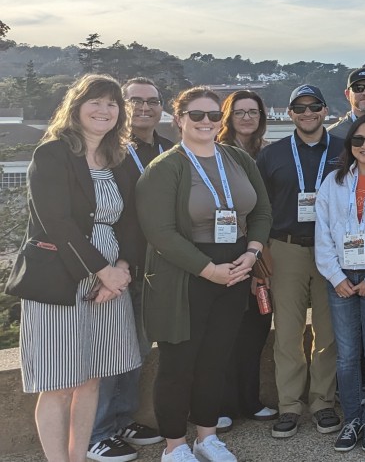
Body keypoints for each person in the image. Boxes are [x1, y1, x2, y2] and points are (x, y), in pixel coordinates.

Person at [137, 86, 272, 462]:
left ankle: (207, 437)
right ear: (179, 119)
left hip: (236, 267)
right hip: (184, 274)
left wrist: (252, 251)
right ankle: (175, 446)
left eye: (214, 115)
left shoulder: (236, 159)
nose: (207, 122)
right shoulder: (165, 167)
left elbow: (262, 212)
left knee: (216, 357)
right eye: (197, 115)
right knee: (179, 363)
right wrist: (207, 269)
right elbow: (159, 232)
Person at [14, 75, 143, 462]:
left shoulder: (118, 157)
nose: (104, 110)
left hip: (112, 283)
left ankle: (78, 456)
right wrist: (103, 271)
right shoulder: (52, 154)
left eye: (112, 104)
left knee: (91, 379)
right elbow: (56, 220)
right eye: (95, 102)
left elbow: (133, 221)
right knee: (57, 383)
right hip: (59, 279)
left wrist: (120, 270)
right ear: (76, 106)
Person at [256, 85, 345, 439]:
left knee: (328, 332)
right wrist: (262, 251)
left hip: (331, 250)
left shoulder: (345, 150)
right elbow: (260, 209)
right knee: (288, 334)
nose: (307, 113)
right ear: (289, 113)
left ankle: (323, 402)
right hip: (286, 247)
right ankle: (290, 406)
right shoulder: (272, 154)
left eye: (314, 106)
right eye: (299, 107)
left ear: (325, 110)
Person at [88, 77, 169, 462]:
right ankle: (98, 431)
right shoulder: (109, 151)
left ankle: (122, 419)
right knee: (108, 349)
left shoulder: (171, 149)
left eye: (152, 101)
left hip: (161, 264)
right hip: (120, 264)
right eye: (134, 101)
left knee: (135, 347)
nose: (144, 107)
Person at [314, 114, 365, 453]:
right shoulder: (332, 182)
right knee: (347, 355)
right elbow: (321, 234)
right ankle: (352, 419)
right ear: (349, 145)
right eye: (358, 140)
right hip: (340, 280)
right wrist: (335, 276)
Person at [214, 90, 278, 428]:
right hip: (224, 250)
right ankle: (222, 405)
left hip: (261, 250)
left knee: (256, 327)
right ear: (228, 116)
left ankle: (250, 400)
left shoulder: (268, 153)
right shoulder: (215, 152)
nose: (247, 118)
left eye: (253, 111)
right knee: (224, 330)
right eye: (240, 112)